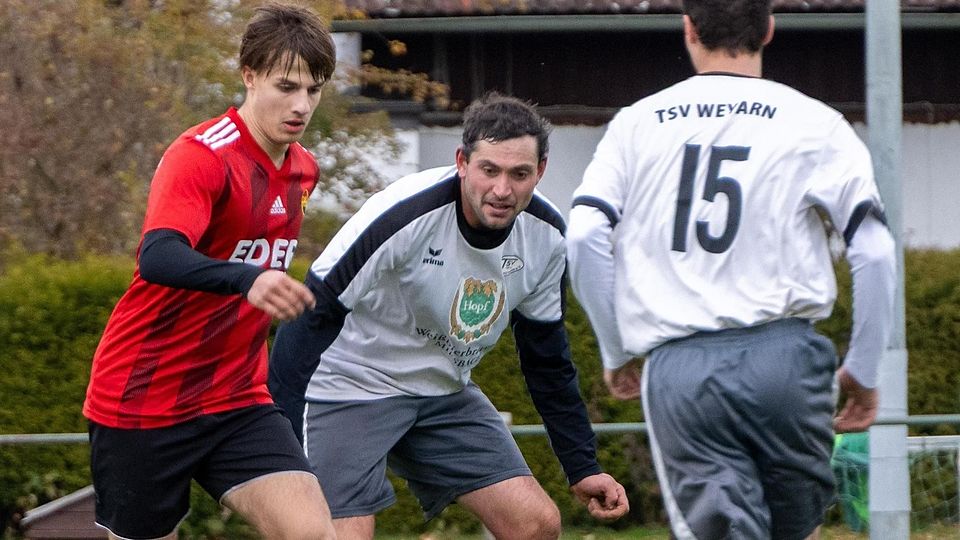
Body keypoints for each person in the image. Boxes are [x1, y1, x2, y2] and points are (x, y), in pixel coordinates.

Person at [565, 1, 896, 539]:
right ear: (768, 29)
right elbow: (876, 251)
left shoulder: (636, 124)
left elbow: (583, 235)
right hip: (788, 361)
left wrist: (617, 350)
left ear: (689, 29)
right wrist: (863, 367)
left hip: (683, 370)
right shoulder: (816, 122)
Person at [268, 92, 630, 539]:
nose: (502, 190)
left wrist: (582, 466)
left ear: (540, 171)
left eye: (519, 174)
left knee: (536, 525)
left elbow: (547, 362)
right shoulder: (402, 214)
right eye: (489, 170)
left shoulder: (548, 238)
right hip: (349, 386)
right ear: (462, 162)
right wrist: (282, 452)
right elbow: (308, 319)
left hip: (443, 394)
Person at [82, 3, 338, 539]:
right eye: (286, 86)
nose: (301, 104)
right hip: (144, 400)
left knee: (312, 532)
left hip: (238, 399)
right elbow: (158, 254)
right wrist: (248, 278)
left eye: (313, 90)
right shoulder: (201, 155)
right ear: (249, 75)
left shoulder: (304, 169)